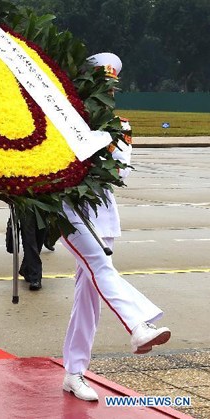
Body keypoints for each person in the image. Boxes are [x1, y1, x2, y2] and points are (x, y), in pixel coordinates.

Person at [60, 53, 171, 402]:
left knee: (88, 299)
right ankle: (139, 324)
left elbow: (116, 173)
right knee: (100, 267)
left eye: (110, 86)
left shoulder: (120, 126)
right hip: (70, 210)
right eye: (98, 85)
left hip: (103, 212)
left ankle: (74, 372)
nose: (106, 92)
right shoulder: (64, 119)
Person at [5, 209, 45, 290]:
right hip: (25, 204)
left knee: (41, 232)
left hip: (45, 201)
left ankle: (26, 268)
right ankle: (35, 276)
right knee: (29, 238)